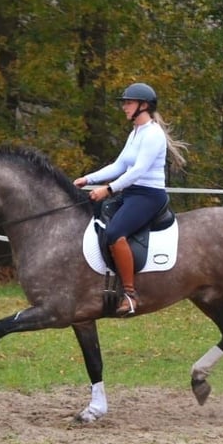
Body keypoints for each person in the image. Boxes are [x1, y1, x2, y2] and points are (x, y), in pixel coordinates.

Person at [74, 83, 187, 316]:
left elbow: (138, 170)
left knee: (115, 233)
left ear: (143, 105)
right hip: (132, 193)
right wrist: (87, 178)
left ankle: (130, 294)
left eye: (128, 102)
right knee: (95, 217)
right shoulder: (136, 132)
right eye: (124, 103)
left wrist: (108, 189)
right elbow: (119, 165)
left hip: (149, 195)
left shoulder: (154, 134)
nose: (124, 107)